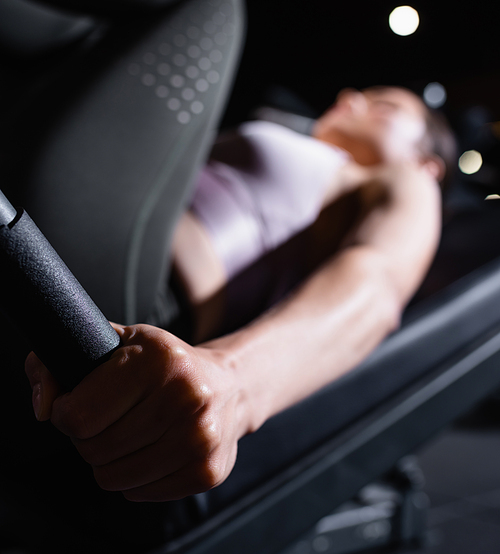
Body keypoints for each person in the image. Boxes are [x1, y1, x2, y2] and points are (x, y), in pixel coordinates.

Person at [24, 85, 456, 503]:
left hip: (126, 288)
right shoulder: (307, 145)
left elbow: (376, 279)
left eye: (384, 107)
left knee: (211, 6)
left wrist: (233, 382)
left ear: (428, 163)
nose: (350, 99)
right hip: (72, 228)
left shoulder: (405, 179)